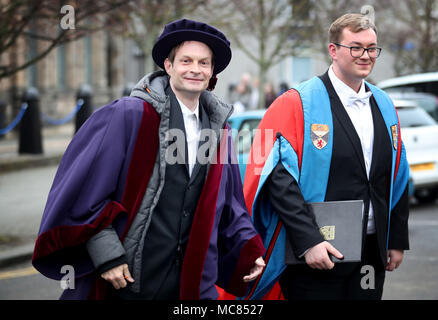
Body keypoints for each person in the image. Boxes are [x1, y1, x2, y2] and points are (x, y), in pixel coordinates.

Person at [32, 18, 265, 300]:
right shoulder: (128, 116)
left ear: (212, 71)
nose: (195, 69)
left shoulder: (220, 131)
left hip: (191, 284)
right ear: (168, 66)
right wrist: (107, 255)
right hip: (129, 279)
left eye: (204, 63)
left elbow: (229, 207)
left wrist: (248, 250)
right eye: (186, 60)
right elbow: (83, 195)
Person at [243, 13, 410, 300]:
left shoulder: (384, 104)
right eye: (355, 47)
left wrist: (395, 238)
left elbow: (397, 174)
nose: (365, 56)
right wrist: (309, 241)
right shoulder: (298, 103)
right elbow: (279, 181)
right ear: (333, 50)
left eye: (371, 48)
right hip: (316, 254)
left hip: (371, 251)